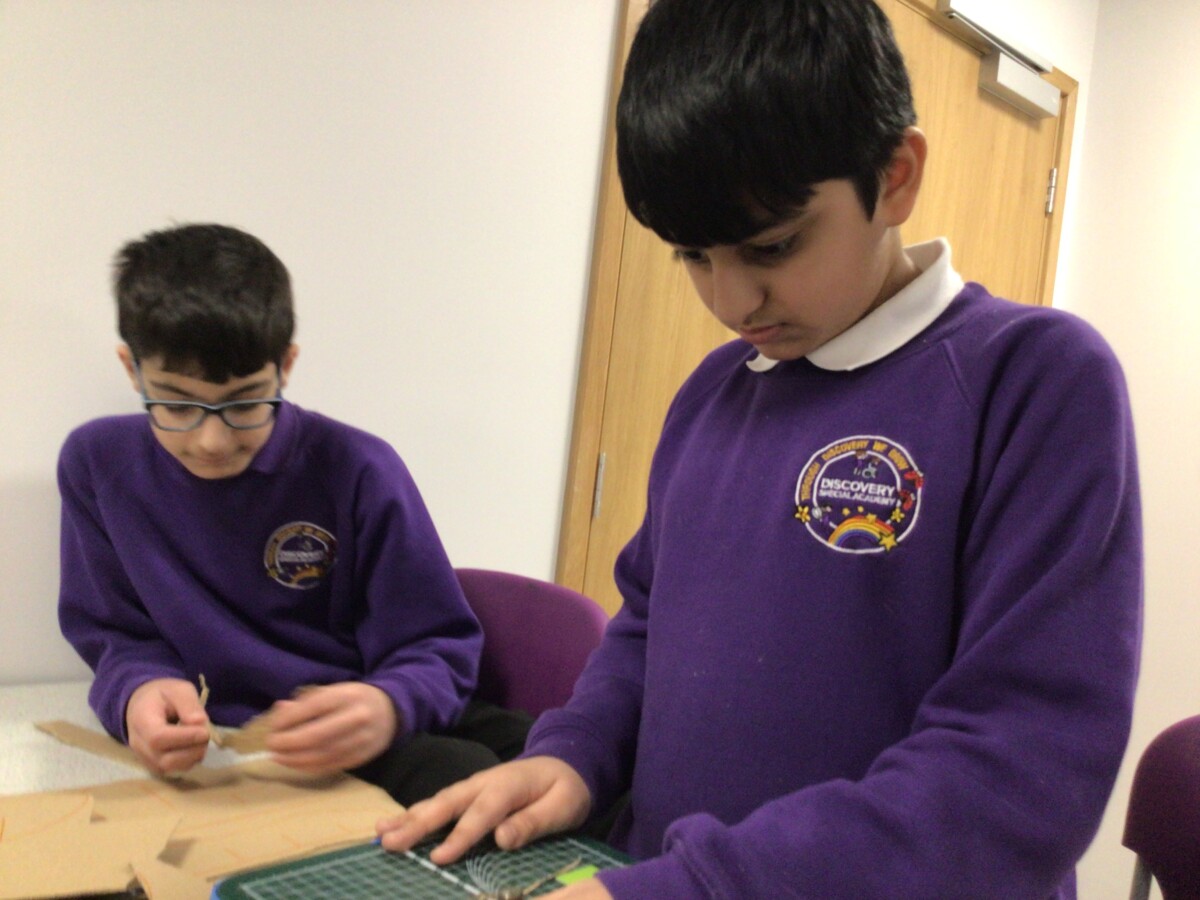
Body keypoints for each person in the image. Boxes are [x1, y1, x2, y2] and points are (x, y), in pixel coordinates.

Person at [376, 0, 1143, 897]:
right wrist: (575, 753)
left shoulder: (1035, 381)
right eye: (692, 257)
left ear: (895, 176)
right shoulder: (715, 392)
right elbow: (646, 626)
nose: (733, 301)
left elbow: (1017, 772)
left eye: (772, 245)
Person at [58, 223, 530, 805]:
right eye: (176, 404)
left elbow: (438, 644)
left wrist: (389, 704)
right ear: (131, 369)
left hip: (352, 718)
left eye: (245, 402)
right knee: (462, 777)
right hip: (224, 745)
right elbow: (115, 633)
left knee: (546, 757)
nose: (211, 441)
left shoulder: (358, 468)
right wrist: (138, 690)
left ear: (286, 364)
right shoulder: (97, 465)